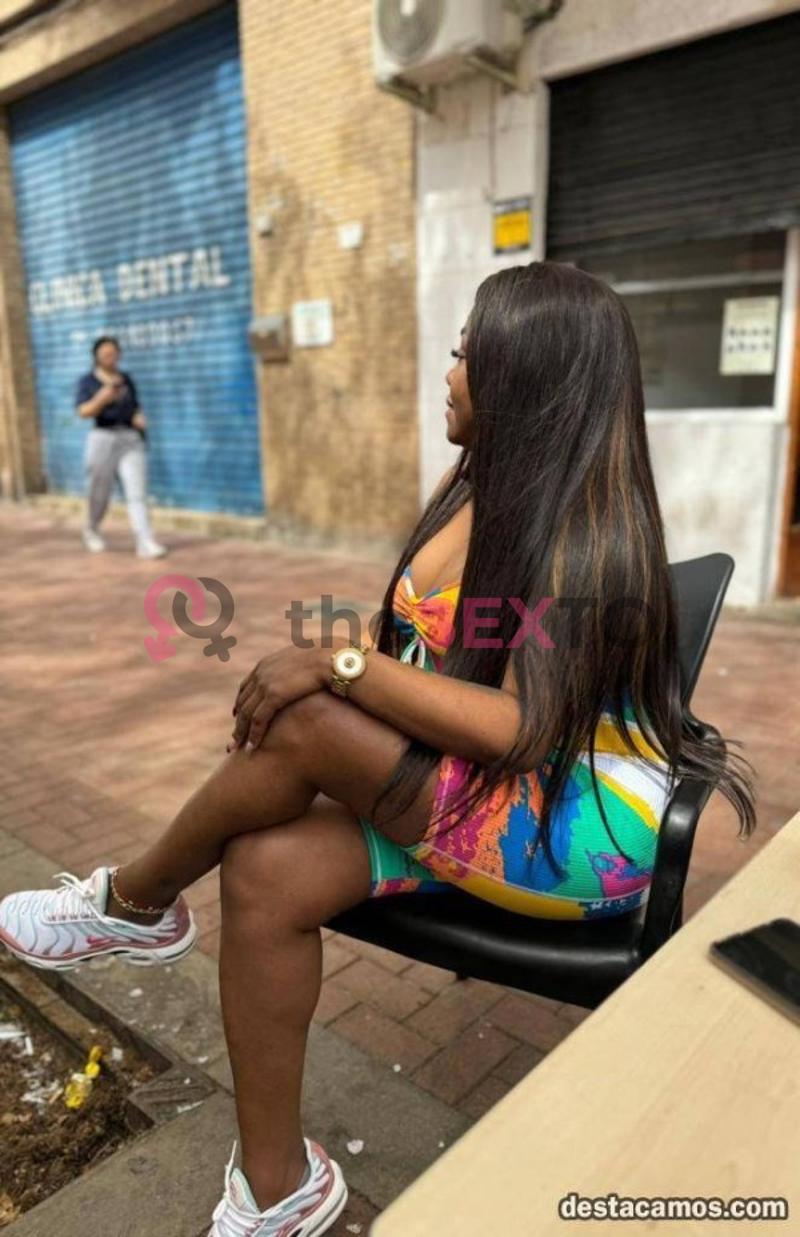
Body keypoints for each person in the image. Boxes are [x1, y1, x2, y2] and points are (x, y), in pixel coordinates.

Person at [0, 263, 756, 1236]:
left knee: (309, 718)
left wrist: (333, 669)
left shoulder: (586, 534)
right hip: (478, 792)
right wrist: (342, 665)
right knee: (262, 865)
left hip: (578, 826)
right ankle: (278, 1186)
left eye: (466, 356)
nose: (447, 374)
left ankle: (135, 903)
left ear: (522, 377)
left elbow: (520, 728)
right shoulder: (475, 478)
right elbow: (398, 632)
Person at [76, 336, 168, 559]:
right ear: (96, 356)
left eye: (114, 352)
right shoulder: (88, 381)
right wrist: (102, 398)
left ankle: (145, 541)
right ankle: (92, 529)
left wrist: (138, 417)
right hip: (102, 437)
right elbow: (83, 411)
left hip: (129, 438)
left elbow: (135, 406)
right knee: (99, 491)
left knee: (137, 492)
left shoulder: (126, 379)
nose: (111, 356)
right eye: (106, 353)